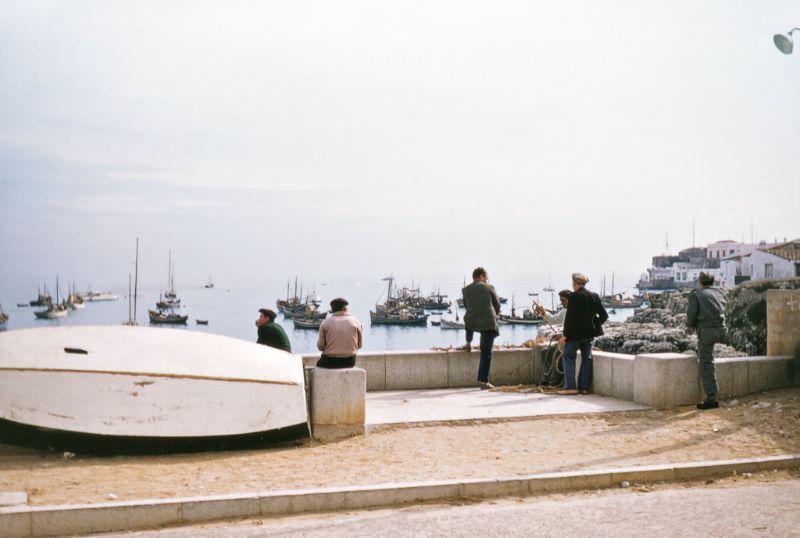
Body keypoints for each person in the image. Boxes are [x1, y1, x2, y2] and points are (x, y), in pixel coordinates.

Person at [558, 273, 607, 395]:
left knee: (568, 357)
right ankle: (584, 388)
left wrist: (565, 336)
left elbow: (570, 319)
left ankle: (570, 387)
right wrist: (594, 325)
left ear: (574, 283)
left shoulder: (573, 297)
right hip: (589, 335)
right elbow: (604, 316)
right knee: (587, 358)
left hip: (574, 335)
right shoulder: (594, 296)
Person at [687, 272, 727, 410]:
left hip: (707, 331)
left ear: (700, 282)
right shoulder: (720, 293)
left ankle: (711, 398)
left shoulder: (696, 294)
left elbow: (692, 315)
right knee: (710, 359)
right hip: (722, 329)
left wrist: (690, 327)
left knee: (706, 362)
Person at [462, 267, 501, 389]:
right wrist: (495, 314)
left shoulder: (465, 290)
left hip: (472, 320)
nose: (487, 279)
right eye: (486, 277)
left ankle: (468, 342)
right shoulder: (489, 288)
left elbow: (466, 306)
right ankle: (483, 381)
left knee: (469, 319)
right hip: (488, 322)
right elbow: (497, 305)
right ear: (481, 276)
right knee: (486, 351)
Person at [534, 290, 571, 387]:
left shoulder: (575, 311)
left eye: (564, 301)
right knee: (544, 352)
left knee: (556, 354)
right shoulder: (565, 310)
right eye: (561, 301)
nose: (562, 303)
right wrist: (543, 312)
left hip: (571, 341)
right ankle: (545, 379)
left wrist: (564, 335)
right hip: (564, 339)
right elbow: (554, 320)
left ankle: (554, 382)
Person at [317, 297, 364, 368]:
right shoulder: (356, 322)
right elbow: (360, 345)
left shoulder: (325, 323)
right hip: (350, 361)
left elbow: (320, 347)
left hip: (329, 361)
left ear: (332, 310)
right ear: (344, 308)